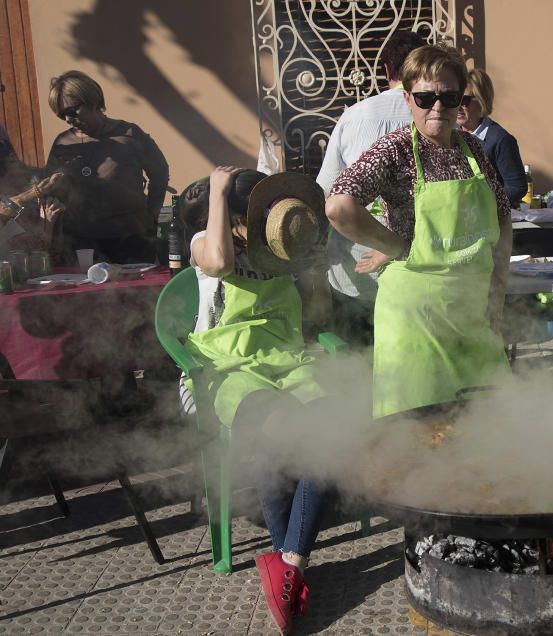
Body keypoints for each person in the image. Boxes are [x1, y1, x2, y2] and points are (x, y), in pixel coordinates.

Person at [177, 167, 331, 635]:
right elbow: (220, 264)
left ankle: (287, 562)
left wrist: (317, 271)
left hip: (287, 360)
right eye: (257, 214)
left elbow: (316, 314)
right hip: (223, 368)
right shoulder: (207, 239)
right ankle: (292, 562)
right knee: (279, 432)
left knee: (333, 433)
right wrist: (219, 194)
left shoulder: (281, 246)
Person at [326, 44, 512, 418]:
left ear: (462, 98)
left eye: (449, 96)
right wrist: (394, 245)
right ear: (408, 98)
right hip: (415, 320)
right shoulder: (393, 150)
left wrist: (498, 290)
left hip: (471, 311)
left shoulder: (474, 149)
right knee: (419, 435)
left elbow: (502, 219)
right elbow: (338, 207)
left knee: (491, 427)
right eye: (426, 97)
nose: (438, 108)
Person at [314, 30, 425, 346]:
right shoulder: (439, 119)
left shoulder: (355, 117)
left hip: (357, 271)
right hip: (421, 269)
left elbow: (326, 193)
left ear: (387, 72)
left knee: (362, 374)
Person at [45, 70, 169, 263]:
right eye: (62, 115)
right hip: (82, 243)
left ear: (92, 101)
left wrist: (153, 212)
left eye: (72, 111)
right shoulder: (63, 143)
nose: (68, 119)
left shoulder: (129, 134)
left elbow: (160, 172)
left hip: (132, 238)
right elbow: (50, 186)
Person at [456, 68, 528, 208]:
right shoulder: (452, 135)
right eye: (455, 99)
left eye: (464, 100)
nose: (458, 106)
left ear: (481, 99)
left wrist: (483, 204)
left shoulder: (500, 139)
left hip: (492, 221)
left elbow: (517, 187)